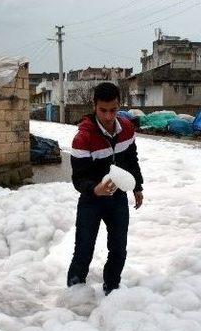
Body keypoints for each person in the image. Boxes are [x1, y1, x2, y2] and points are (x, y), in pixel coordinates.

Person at [67, 82, 144, 295]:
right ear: (94, 106)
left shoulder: (127, 128)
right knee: (84, 248)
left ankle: (112, 287)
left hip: (117, 198)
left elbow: (131, 159)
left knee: (118, 249)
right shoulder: (83, 138)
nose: (109, 116)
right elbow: (78, 178)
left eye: (113, 110)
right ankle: (75, 291)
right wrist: (95, 189)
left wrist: (137, 186)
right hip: (91, 200)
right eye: (103, 110)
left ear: (119, 106)